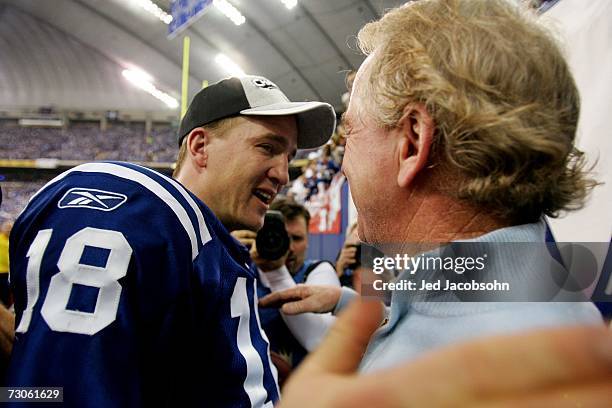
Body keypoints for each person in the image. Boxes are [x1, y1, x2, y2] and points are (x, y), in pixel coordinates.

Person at [261, 0, 603, 377]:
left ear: (412, 142)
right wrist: (345, 303)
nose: (344, 163)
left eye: (352, 133)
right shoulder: (539, 305)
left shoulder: (429, 378)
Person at [6, 75, 336, 406]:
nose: (283, 174)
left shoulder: (62, 196)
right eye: (267, 147)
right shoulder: (189, 239)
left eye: (289, 158)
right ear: (199, 147)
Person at [232, 198, 339, 382]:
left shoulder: (318, 271)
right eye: (277, 234)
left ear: (308, 241)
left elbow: (320, 341)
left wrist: (276, 273)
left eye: (296, 238)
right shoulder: (241, 269)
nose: (288, 247)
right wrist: (225, 254)